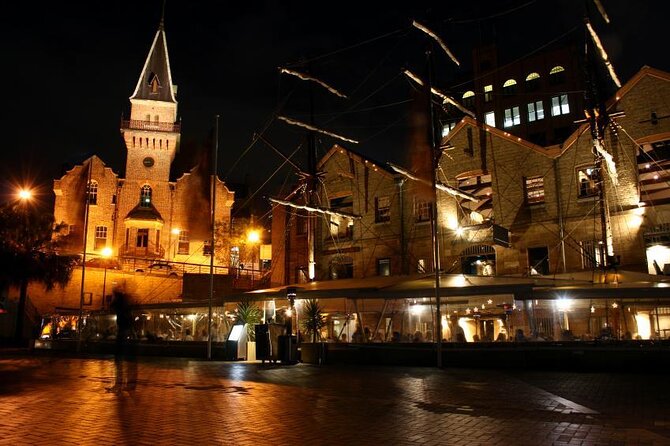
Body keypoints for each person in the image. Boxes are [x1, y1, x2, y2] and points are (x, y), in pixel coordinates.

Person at [107, 290, 137, 394]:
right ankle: (127, 385)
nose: (112, 297)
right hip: (125, 334)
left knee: (119, 361)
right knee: (125, 362)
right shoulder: (125, 307)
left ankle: (120, 385)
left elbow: (111, 306)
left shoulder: (120, 307)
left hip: (123, 335)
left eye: (113, 296)